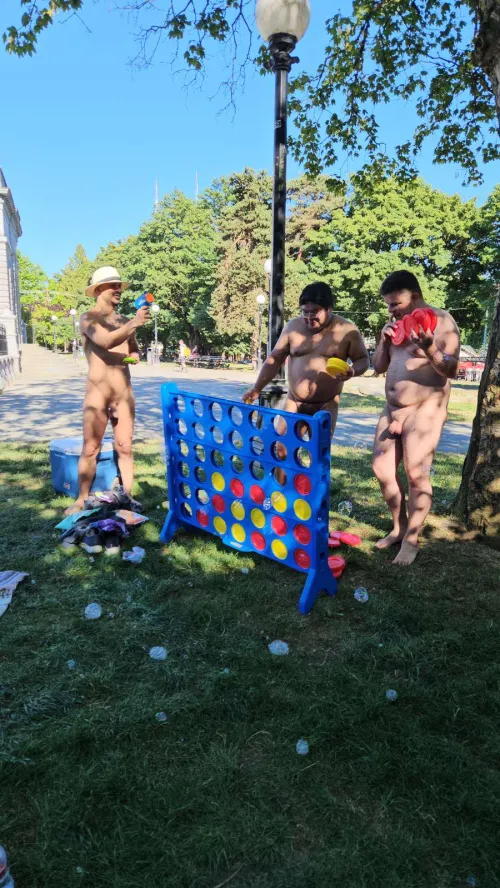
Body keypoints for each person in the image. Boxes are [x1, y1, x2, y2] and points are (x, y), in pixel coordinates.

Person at [371, 270, 460, 566]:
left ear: (416, 296)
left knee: (415, 473)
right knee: (381, 469)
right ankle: (398, 528)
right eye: (388, 304)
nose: (391, 310)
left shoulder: (443, 322)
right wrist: (383, 342)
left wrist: (429, 346)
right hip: (392, 408)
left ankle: (411, 541)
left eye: (396, 303)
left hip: (426, 408)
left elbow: (451, 369)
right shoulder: (396, 324)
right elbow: (379, 367)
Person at [64, 266, 150, 515]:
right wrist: (135, 322)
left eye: (119, 286)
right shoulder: (88, 318)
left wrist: (134, 355)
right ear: (98, 290)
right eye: (113, 285)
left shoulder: (123, 321)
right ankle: (82, 499)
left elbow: (133, 348)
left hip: (124, 393)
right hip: (97, 393)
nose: (118, 289)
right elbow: (105, 341)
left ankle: (127, 497)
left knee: (125, 446)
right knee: (91, 448)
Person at [242, 282, 369, 436]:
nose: (309, 317)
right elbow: (275, 359)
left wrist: (353, 371)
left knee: (318, 449)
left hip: (326, 404)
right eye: (305, 312)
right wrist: (257, 388)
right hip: (294, 401)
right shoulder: (292, 327)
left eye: (314, 312)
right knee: (282, 447)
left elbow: (363, 359)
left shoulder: (347, 330)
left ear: (329, 308)